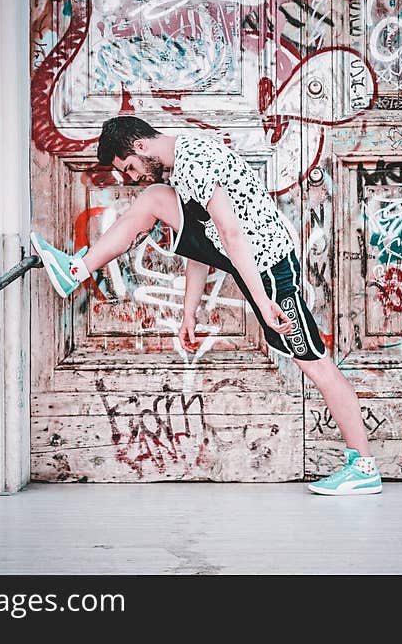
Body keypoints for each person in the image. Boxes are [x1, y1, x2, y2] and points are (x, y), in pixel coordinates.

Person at [30, 116, 381, 495]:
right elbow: (204, 241)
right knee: (153, 200)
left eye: (128, 166)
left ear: (141, 146)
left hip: (271, 273)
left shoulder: (195, 159)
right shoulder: (181, 166)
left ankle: (362, 466)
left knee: (315, 363)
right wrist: (189, 311)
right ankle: (77, 269)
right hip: (249, 266)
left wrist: (264, 302)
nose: (131, 176)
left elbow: (230, 232)